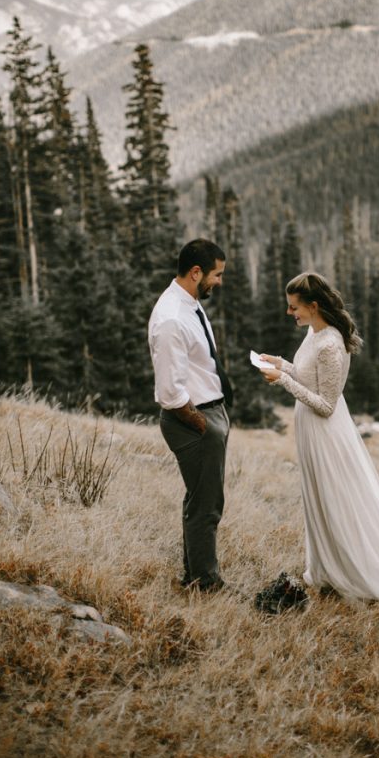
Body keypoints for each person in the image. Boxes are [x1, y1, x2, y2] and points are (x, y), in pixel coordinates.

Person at [259, 272, 379, 604]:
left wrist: (282, 381)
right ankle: (329, 567)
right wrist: (281, 365)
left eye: (294, 308)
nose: (291, 314)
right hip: (309, 433)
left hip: (326, 436)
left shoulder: (331, 344)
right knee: (318, 499)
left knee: (338, 502)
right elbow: (308, 377)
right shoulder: (312, 332)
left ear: (313, 306)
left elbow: (326, 405)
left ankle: (356, 570)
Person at [148, 239, 233, 592]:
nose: (219, 282)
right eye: (217, 275)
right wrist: (206, 428)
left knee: (201, 499)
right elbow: (171, 393)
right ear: (196, 272)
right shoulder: (171, 318)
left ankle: (194, 573)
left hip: (208, 413)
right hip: (193, 421)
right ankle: (205, 582)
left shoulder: (190, 305)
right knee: (206, 506)